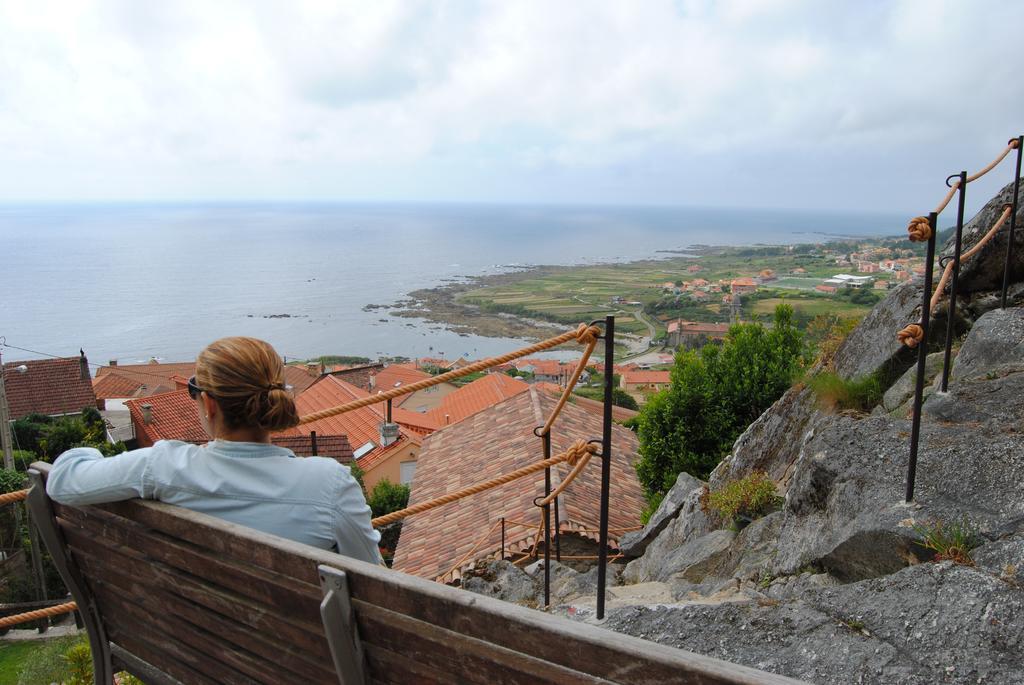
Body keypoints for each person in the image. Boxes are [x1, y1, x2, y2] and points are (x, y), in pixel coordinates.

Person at [46, 336, 382, 565]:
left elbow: (62, 481)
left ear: (208, 404)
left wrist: (90, 453)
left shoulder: (162, 468)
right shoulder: (329, 485)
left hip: (192, 657)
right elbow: (374, 582)